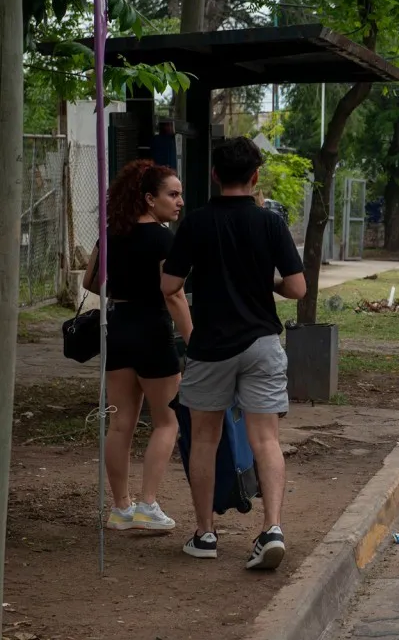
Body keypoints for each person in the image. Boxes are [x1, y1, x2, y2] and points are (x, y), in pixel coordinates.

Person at [161, 137, 307, 570]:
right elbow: (297, 288)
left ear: (214, 175)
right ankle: (273, 529)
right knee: (266, 439)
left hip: (211, 346)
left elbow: (170, 286)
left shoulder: (196, 223)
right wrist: (269, 285)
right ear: (256, 176)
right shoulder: (270, 223)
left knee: (204, 439)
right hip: (262, 343)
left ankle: (205, 534)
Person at [84, 159, 191, 533]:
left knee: (120, 424)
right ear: (149, 198)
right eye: (172, 194)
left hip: (118, 327)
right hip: (152, 330)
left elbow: (89, 281)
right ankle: (148, 504)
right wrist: (193, 337)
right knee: (167, 420)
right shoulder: (164, 239)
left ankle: (120, 508)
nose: (179, 202)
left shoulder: (112, 232)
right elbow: (173, 294)